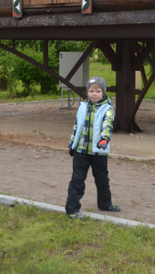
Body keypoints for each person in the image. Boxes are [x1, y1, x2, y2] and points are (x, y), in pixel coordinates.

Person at [65, 75, 121, 220]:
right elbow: (76, 126)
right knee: (77, 179)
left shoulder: (107, 109)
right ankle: (72, 209)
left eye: (98, 91)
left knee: (102, 179)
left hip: (98, 151)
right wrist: (72, 143)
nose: (94, 94)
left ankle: (105, 203)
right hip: (81, 151)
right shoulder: (82, 107)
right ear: (87, 92)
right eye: (91, 91)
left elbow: (107, 126)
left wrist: (104, 139)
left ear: (103, 92)